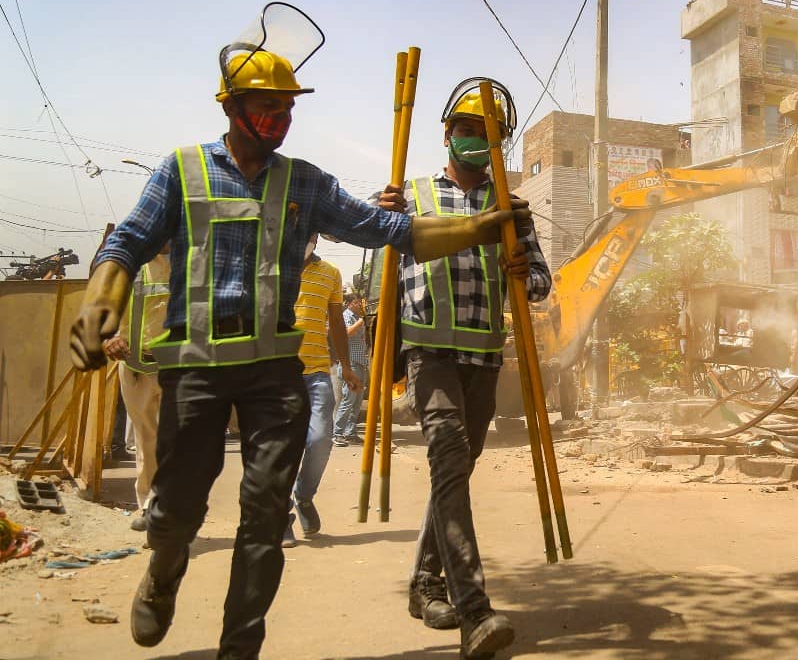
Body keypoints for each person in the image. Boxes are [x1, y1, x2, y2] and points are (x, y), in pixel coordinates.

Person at [68, 46, 530, 660]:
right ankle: (163, 568)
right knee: (177, 508)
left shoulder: (304, 182)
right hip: (197, 372)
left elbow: (393, 232)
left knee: (264, 521)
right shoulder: (180, 170)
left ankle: (240, 648)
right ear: (230, 107)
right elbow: (126, 243)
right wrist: (98, 302)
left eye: (287, 107)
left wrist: (482, 226)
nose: (280, 118)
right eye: (266, 105)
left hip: (275, 376)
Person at [390, 77, 549, 660]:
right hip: (429, 353)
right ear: (447, 135)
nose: (474, 141)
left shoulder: (512, 208)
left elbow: (539, 281)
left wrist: (520, 272)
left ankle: (425, 583)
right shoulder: (412, 196)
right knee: (450, 455)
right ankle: (474, 610)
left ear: (499, 142)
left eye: (485, 134)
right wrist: (379, 217)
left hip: (484, 357)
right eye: (464, 131)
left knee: (454, 471)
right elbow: (376, 243)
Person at [284, 237, 360, 547]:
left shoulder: (330, 273)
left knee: (319, 439)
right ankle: (280, 516)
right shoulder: (269, 267)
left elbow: (337, 324)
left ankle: (303, 496)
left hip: (316, 371)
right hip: (277, 373)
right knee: (282, 449)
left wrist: (347, 367)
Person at [102, 249, 170, 532]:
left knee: (179, 439)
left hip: (178, 367)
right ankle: (148, 504)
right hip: (136, 367)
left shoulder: (194, 260)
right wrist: (110, 336)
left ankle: (173, 506)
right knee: (145, 439)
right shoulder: (131, 265)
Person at [332, 292, 368, 446]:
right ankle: (337, 433)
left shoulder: (357, 317)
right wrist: (361, 322)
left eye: (359, 302)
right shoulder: (346, 316)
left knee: (357, 401)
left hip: (361, 363)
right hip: (351, 364)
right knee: (348, 400)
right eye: (355, 302)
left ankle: (350, 433)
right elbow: (346, 333)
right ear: (348, 304)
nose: (359, 304)